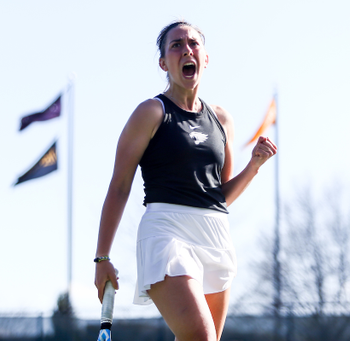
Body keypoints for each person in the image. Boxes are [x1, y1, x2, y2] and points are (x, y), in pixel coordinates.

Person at [94, 20, 277, 341]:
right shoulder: (151, 112)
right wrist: (102, 257)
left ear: (205, 57)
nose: (186, 49)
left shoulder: (222, 119)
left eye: (193, 43)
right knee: (200, 336)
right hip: (167, 231)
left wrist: (254, 166)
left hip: (216, 236)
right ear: (164, 63)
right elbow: (119, 186)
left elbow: (219, 196)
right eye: (175, 45)